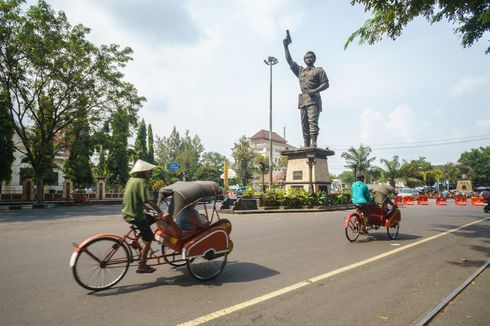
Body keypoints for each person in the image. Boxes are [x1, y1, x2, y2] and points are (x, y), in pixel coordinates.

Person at [283, 35, 329, 148]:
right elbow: (290, 61)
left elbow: (326, 84)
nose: (309, 58)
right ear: (304, 59)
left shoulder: (319, 70)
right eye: (307, 57)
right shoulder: (300, 71)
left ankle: (314, 143)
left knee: (313, 122)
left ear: (314, 59)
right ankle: (306, 144)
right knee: (304, 124)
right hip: (303, 100)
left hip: (313, 99)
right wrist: (285, 46)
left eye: (311, 57)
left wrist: (315, 90)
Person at [122, 159, 166, 274]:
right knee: (148, 239)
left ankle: (135, 240)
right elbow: (150, 201)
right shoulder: (142, 182)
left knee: (152, 219)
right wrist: (160, 212)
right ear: (143, 172)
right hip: (136, 215)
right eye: (148, 171)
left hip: (127, 212)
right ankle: (142, 265)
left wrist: (145, 207)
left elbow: (136, 197)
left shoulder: (131, 180)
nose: (149, 172)